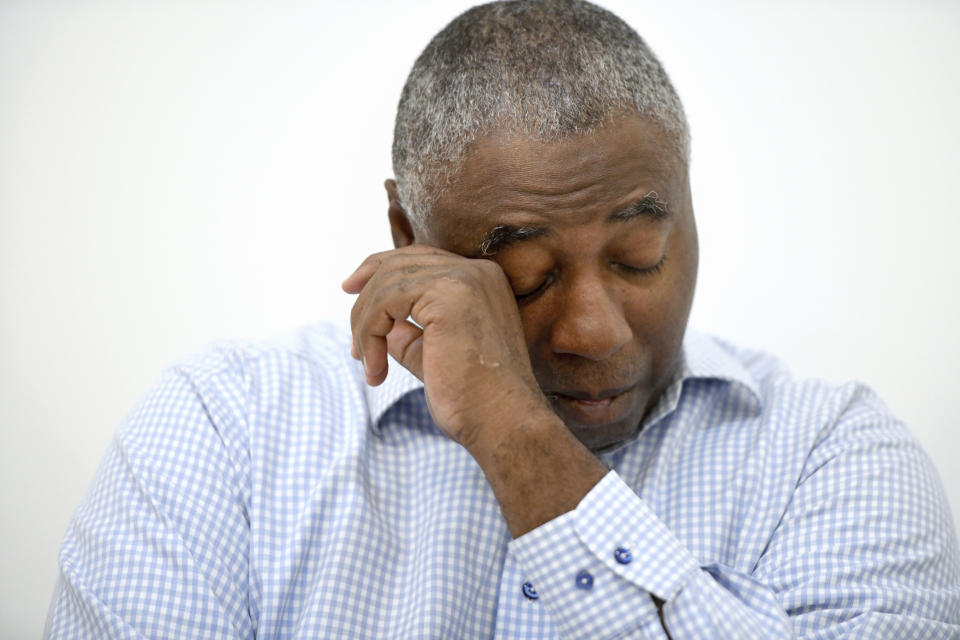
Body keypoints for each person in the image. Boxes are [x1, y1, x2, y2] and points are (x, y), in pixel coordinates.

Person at [45, 1, 959, 638]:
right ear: (408, 237)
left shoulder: (830, 452)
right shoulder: (223, 433)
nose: (594, 330)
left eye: (640, 257)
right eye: (522, 279)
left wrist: (520, 439)